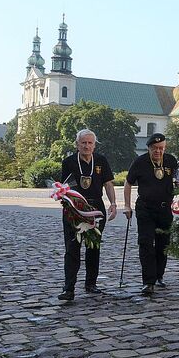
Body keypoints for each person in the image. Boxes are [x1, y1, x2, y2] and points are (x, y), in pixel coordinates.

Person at [59, 129, 117, 301]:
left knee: (94, 247)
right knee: (72, 248)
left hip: (96, 207)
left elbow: (108, 184)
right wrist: (72, 204)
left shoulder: (101, 161)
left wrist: (113, 203)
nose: (86, 146)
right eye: (83, 143)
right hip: (74, 209)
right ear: (77, 144)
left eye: (90, 143)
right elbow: (65, 187)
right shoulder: (69, 162)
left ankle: (91, 283)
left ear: (94, 144)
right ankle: (69, 288)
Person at [123, 133, 178, 296]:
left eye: (161, 148)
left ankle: (159, 275)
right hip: (145, 208)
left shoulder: (170, 160)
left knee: (163, 244)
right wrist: (126, 205)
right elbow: (128, 183)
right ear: (149, 148)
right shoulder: (140, 162)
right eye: (155, 148)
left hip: (165, 209)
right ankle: (148, 282)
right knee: (146, 243)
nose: (158, 152)